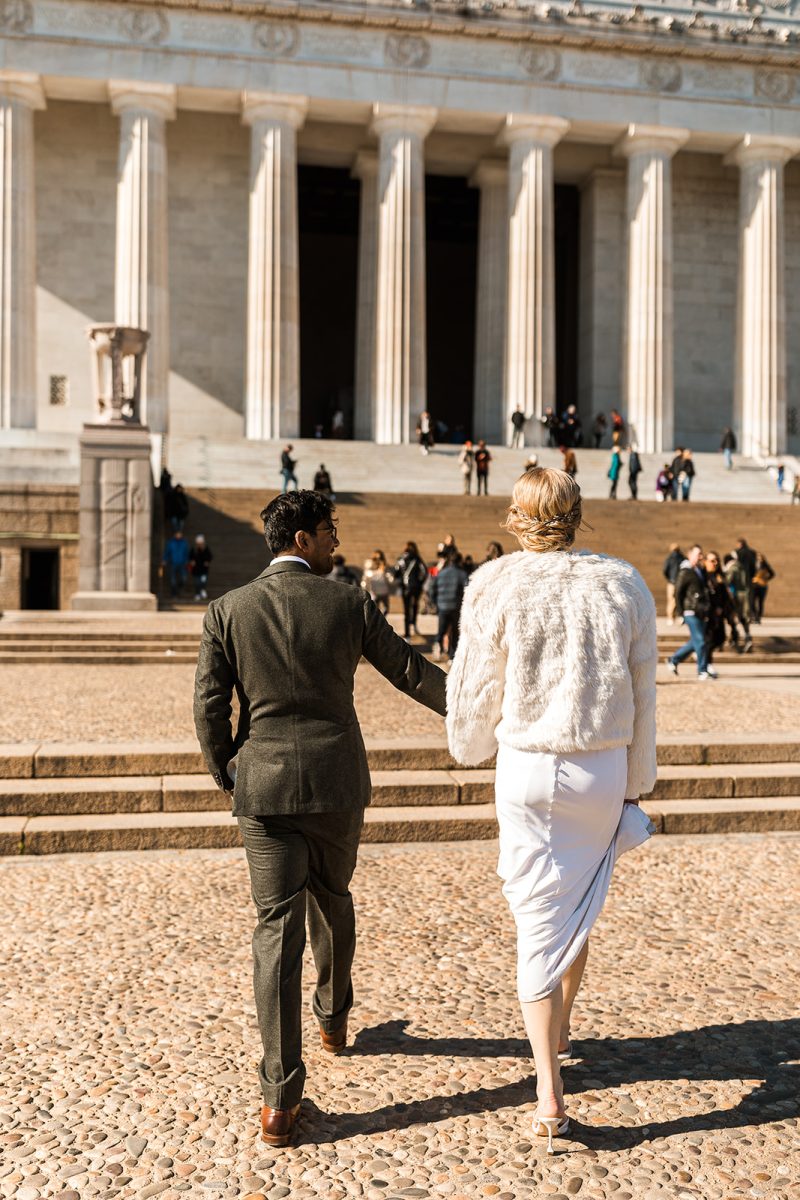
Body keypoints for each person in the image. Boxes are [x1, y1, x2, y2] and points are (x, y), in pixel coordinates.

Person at [193, 491, 447, 1148]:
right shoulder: (349, 603)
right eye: (330, 532)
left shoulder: (228, 609)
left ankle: (279, 1099)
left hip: (264, 787)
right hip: (336, 781)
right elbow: (412, 672)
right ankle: (333, 1018)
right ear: (302, 539)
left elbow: (208, 708)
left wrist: (230, 771)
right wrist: (482, 711)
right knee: (331, 898)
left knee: (275, 931)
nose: (338, 542)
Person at [445, 467, 656, 1153]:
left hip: (530, 765)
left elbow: (477, 689)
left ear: (516, 516)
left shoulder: (495, 584)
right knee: (580, 900)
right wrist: (636, 782)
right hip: (600, 765)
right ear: (577, 514)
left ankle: (548, 1087)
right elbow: (645, 694)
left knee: (540, 920)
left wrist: (468, 745)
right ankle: (560, 1028)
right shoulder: (623, 584)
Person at [666, 545, 714, 679]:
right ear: (690, 555)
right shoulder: (685, 571)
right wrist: (680, 612)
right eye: (698, 554)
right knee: (701, 640)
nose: (701, 557)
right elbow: (678, 592)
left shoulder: (699, 570)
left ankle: (673, 660)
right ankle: (702, 670)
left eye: (701, 554)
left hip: (701, 611)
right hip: (690, 611)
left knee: (695, 641)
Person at [430, 552, 468, 661]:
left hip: (442, 606)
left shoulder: (441, 573)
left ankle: (438, 649)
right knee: (455, 632)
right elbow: (467, 589)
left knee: (441, 630)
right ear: (459, 561)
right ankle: (452, 656)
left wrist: (436, 602)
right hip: (456, 607)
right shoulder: (462, 574)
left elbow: (432, 588)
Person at [704, 551, 736, 673]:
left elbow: (724, 594)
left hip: (720, 612)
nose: (715, 563)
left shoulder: (720, 576)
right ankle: (707, 664)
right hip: (708, 613)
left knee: (720, 638)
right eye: (712, 560)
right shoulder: (704, 576)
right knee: (708, 639)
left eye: (717, 560)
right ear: (706, 562)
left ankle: (703, 659)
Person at [394, 541, 428, 639]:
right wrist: (420, 582)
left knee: (406, 610)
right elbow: (425, 572)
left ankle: (407, 634)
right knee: (415, 605)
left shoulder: (400, 559)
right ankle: (414, 623)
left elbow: (396, 573)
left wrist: (401, 581)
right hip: (416, 587)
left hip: (405, 588)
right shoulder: (417, 559)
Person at [723, 552, 753, 653]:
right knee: (744, 619)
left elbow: (727, 581)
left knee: (733, 617)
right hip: (746, 595)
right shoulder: (742, 567)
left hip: (736, 597)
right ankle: (747, 638)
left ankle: (734, 638)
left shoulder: (732, 569)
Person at [361, 550, 391, 615]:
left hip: (384, 590)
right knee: (375, 609)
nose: (378, 560)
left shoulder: (384, 567)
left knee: (386, 608)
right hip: (374, 591)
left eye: (380, 558)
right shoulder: (370, 567)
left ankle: (381, 620)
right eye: (376, 558)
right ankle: (377, 621)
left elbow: (389, 577)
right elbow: (366, 576)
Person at [163, 529, 190, 598]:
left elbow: (186, 553)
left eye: (180, 534)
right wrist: (165, 560)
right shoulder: (171, 542)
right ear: (175, 534)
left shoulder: (184, 543)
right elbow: (167, 552)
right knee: (173, 580)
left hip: (182, 564)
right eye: (177, 534)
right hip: (173, 563)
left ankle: (178, 589)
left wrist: (187, 561)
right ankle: (174, 593)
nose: (179, 535)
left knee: (183, 579)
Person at [662, 543, 683, 625]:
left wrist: (669, 578)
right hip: (679, 581)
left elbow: (665, 570)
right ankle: (678, 616)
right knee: (678, 599)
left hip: (671, 582)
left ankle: (670, 617)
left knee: (671, 600)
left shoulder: (669, 558)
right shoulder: (682, 558)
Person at [751, 553, 775, 623]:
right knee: (752, 601)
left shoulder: (766, 566)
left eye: (761, 558)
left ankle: (758, 617)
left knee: (760, 602)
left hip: (762, 586)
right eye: (758, 557)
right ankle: (755, 615)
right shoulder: (753, 565)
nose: (759, 559)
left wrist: (766, 579)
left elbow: (772, 574)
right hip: (754, 586)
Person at [189, 534, 213, 602]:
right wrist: (192, 561)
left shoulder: (206, 549)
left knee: (203, 581)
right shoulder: (194, 549)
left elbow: (210, 556)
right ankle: (197, 594)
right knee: (197, 583)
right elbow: (190, 556)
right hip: (196, 570)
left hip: (204, 570)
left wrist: (207, 561)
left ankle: (202, 590)